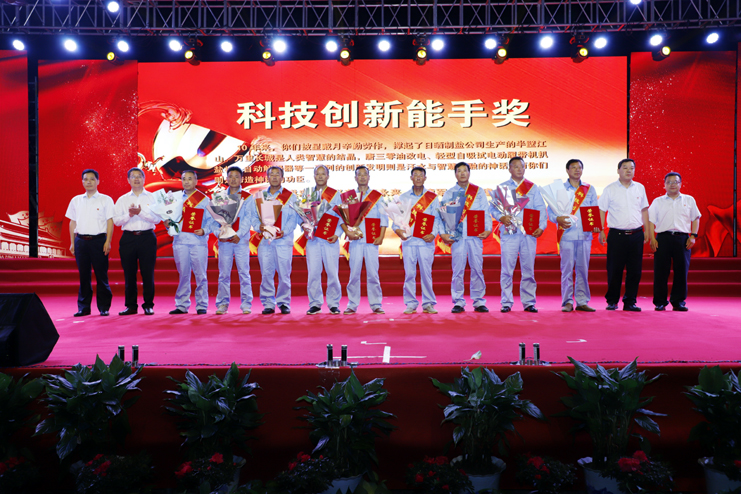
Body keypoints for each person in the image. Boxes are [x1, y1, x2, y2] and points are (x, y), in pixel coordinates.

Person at [495, 157, 547, 313]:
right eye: (515, 166)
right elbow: (493, 209)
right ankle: (506, 302)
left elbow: (540, 208)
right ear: (509, 169)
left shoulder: (532, 188)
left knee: (528, 269)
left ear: (525, 168)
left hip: (528, 234)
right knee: (507, 269)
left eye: (521, 166)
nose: (519, 169)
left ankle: (529, 302)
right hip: (509, 234)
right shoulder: (502, 187)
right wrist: (500, 217)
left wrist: (542, 227)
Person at [547, 159, 599, 312]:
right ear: (567, 170)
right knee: (567, 270)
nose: (577, 170)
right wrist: (557, 219)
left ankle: (582, 301)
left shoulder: (589, 189)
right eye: (574, 167)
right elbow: (551, 211)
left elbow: (594, 208)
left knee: (583, 269)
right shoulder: (559, 189)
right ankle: (567, 302)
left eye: (580, 167)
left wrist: (596, 224)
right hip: (567, 235)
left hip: (585, 235)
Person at [598, 158, 650, 311]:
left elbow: (644, 210)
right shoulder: (610, 189)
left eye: (632, 168)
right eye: (625, 167)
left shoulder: (640, 188)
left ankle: (630, 302)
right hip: (617, 235)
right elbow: (602, 210)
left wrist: (647, 229)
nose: (629, 170)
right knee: (615, 269)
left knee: (635, 270)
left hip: (636, 234)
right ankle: (612, 301)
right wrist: (601, 230)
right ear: (618, 170)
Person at [440, 162, 492, 313]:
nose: (462, 173)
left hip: (475, 235)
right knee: (458, 269)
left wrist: (488, 229)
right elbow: (443, 215)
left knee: (477, 268)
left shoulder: (478, 191)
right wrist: (444, 233)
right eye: (459, 171)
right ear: (455, 174)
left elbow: (485, 211)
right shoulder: (449, 193)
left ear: (469, 173)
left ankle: (479, 301)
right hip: (458, 236)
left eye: (465, 170)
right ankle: (458, 301)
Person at [648, 172, 701, 311]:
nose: (672, 184)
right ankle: (660, 302)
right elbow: (650, 221)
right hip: (663, 238)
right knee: (660, 271)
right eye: (669, 182)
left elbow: (696, 218)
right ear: (664, 184)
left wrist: (693, 236)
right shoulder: (658, 201)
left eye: (675, 182)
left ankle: (678, 302)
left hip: (682, 239)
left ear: (680, 184)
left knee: (681, 271)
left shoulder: (689, 199)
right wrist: (652, 238)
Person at [65, 169, 114, 317]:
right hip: (81, 242)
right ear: (82, 182)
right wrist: (72, 242)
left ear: (98, 181)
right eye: (86, 179)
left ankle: (104, 307)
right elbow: (72, 222)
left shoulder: (106, 199)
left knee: (101, 275)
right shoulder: (76, 200)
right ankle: (84, 307)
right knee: (83, 276)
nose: (89, 182)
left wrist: (108, 241)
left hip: (99, 241)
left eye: (92, 179)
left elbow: (110, 222)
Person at [251, 166, 298, 315]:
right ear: (268, 177)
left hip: (283, 241)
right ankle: (268, 303)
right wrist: (259, 227)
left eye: (278, 174)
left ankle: (284, 302)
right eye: (272, 174)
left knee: (284, 273)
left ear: (282, 178)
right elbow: (253, 216)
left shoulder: (290, 196)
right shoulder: (259, 196)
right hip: (265, 241)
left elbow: (294, 218)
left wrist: (285, 232)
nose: (275, 177)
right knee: (266, 273)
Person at [393, 167, 440, 314]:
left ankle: (428, 303)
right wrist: (397, 230)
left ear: (425, 178)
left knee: (426, 273)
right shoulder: (403, 197)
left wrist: (433, 234)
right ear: (411, 178)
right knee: (409, 274)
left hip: (426, 242)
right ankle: (410, 303)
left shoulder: (432, 197)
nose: (418, 177)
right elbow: (397, 219)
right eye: (415, 175)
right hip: (409, 241)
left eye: (421, 175)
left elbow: (437, 219)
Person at [113, 167, 160, 316]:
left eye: (139, 176)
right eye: (133, 176)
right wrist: (129, 215)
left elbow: (157, 219)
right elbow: (116, 221)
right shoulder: (122, 199)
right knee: (129, 274)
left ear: (144, 179)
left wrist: (141, 213)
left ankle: (148, 305)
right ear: (128, 180)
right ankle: (131, 306)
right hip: (128, 238)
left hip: (147, 237)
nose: (136, 179)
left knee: (148, 273)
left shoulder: (152, 197)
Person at [167, 170, 215, 315]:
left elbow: (212, 221)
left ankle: (202, 304)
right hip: (180, 241)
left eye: (189, 179)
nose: (186, 181)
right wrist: (167, 223)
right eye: (184, 179)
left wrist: (204, 230)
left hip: (197, 242)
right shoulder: (174, 199)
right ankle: (182, 305)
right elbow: (168, 216)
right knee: (183, 274)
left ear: (195, 181)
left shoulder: (204, 199)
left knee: (201, 274)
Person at [343, 166, 388, 315]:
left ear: (369, 177)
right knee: (354, 274)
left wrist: (381, 236)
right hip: (355, 240)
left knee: (373, 274)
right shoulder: (349, 197)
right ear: (355, 178)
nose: (362, 177)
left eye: (365, 174)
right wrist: (348, 232)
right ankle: (352, 304)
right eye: (359, 174)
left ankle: (376, 304)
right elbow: (343, 217)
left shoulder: (377, 196)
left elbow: (383, 218)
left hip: (371, 240)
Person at [215, 166, 255, 315]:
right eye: (230, 176)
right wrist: (219, 234)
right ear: (226, 179)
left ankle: (246, 303)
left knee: (244, 272)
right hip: (224, 241)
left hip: (240, 241)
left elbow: (248, 218)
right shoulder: (219, 196)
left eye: (236, 177)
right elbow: (214, 219)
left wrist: (239, 234)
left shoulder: (247, 197)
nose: (233, 179)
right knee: (224, 274)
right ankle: (222, 304)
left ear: (241, 179)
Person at [304, 165, 342, 315]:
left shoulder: (336, 195)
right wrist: (306, 228)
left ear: (328, 176)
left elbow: (342, 217)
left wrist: (337, 234)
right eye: (317, 174)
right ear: (314, 176)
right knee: (313, 272)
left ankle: (333, 303)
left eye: (323, 174)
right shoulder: (308, 194)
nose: (320, 176)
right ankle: (315, 303)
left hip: (330, 239)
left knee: (332, 272)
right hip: (313, 239)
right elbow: (303, 216)